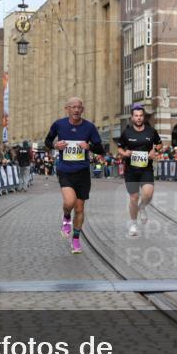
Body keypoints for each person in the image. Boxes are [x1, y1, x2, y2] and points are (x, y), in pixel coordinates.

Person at [45, 97, 106, 254]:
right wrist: (54, 145)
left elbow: (101, 149)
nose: (76, 110)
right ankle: (66, 217)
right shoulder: (59, 125)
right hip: (65, 170)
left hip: (83, 172)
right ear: (67, 109)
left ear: (82, 109)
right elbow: (47, 141)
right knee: (70, 201)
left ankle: (76, 239)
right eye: (73, 107)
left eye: (79, 107)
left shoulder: (89, 127)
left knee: (80, 208)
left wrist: (90, 146)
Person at [116, 103, 162, 237]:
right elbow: (120, 147)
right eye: (136, 116)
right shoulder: (127, 132)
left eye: (141, 115)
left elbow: (159, 144)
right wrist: (124, 154)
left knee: (148, 194)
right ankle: (133, 224)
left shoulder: (151, 131)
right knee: (133, 198)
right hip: (131, 170)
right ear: (132, 118)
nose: (139, 118)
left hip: (146, 168)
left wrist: (154, 151)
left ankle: (142, 207)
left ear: (144, 117)